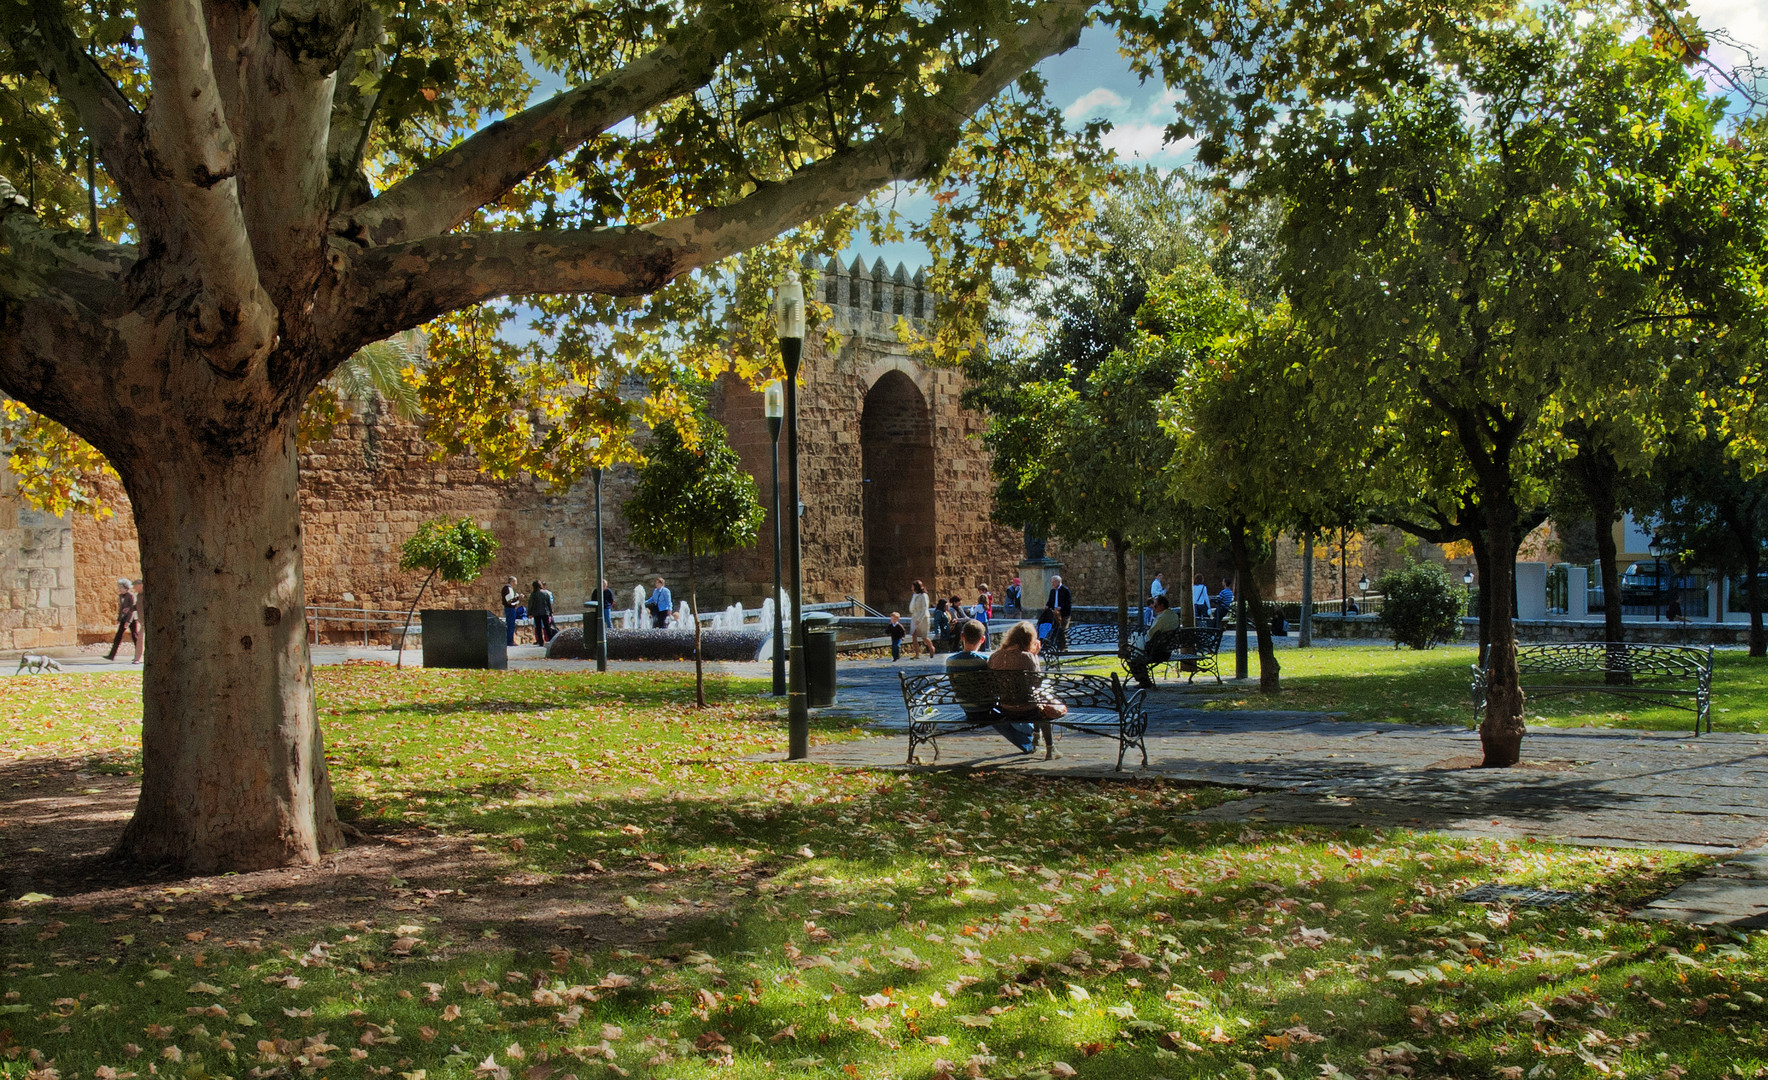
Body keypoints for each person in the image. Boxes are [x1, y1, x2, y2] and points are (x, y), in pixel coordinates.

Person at [945, 619, 1035, 753]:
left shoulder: (951, 661)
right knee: (1005, 712)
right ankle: (1028, 740)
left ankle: (1028, 743)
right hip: (986, 707)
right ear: (982, 639)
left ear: (962, 636)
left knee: (997, 714)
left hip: (968, 708)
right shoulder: (985, 660)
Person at [988, 620, 1066, 747]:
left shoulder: (995, 657)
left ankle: (1036, 737)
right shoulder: (1027, 657)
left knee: (1033, 697)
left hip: (1005, 708)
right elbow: (1037, 681)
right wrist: (1035, 655)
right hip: (1028, 709)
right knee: (1039, 699)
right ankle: (1050, 748)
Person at [1128, 595, 1182, 689]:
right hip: (1167, 651)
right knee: (1136, 653)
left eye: (1155, 606)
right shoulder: (1174, 616)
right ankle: (1144, 680)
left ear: (1161, 606)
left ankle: (1144, 681)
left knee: (1131, 655)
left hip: (1156, 653)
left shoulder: (1161, 619)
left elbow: (1150, 635)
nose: (1154, 608)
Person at [106, 577, 139, 662]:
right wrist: (119, 619)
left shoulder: (131, 596)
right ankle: (111, 655)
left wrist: (128, 621)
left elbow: (132, 609)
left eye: (120, 587)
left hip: (131, 619)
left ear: (126, 587)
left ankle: (139, 654)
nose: (119, 589)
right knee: (118, 636)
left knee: (134, 636)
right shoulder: (121, 596)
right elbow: (121, 608)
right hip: (124, 618)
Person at [1045, 575, 1073, 649]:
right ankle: (1057, 646)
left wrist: (1061, 607)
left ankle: (1064, 647)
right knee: (1055, 630)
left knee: (1063, 630)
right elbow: (1050, 601)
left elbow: (1068, 602)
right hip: (1055, 613)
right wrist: (1047, 606)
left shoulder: (1065, 590)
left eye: (1053, 582)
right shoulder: (1052, 591)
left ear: (1058, 582)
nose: (1052, 584)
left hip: (1064, 614)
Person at [908, 580, 934, 659]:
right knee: (914, 635)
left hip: (923, 618)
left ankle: (931, 648)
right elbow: (912, 605)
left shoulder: (924, 596)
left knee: (924, 636)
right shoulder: (914, 595)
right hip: (914, 616)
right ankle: (917, 654)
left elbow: (924, 608)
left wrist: (919, 619)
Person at [528, 580, 554, 644]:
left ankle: (540, 641)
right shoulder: (545, 593)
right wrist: (551, 612)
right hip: (545, 612)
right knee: (547, 626)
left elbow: (531, 604)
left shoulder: (533, 594)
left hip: (536, 613)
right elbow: (549, 604)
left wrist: (529, 613)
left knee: (538, 628)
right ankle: (550, 639)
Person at [500, 576, 522, 646]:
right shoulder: (508, 588)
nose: (516, 583)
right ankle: (509, 641)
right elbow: (509, 601)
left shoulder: (509, 588)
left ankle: (509, 641)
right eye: (515, 581)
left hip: (510, 609)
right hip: (510, 609)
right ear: (512, 581)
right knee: (510, 625)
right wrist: (518, 597)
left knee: (510, 624)